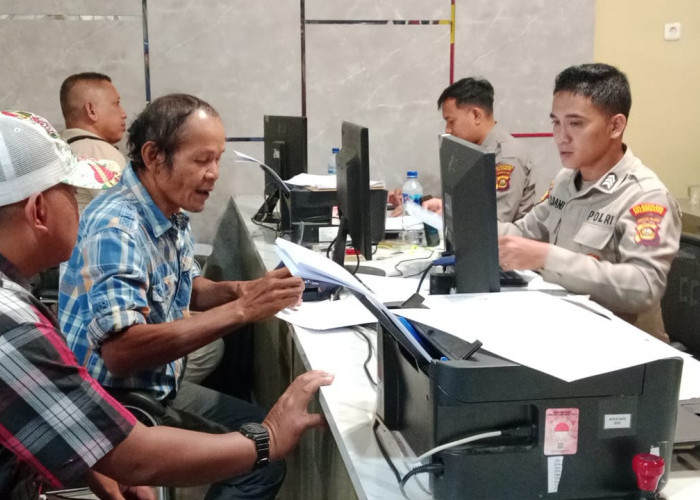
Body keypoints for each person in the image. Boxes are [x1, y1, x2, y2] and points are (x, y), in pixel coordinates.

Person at [0, 110, 333, 499]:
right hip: (123, 393)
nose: (213, 173)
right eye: (71, 194)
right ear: (38, 210)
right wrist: (269, 438)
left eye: (217, 160)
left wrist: (243, 291)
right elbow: (132, 446)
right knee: (261, 454)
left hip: (139, 391)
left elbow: (183, 283)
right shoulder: (16, 317)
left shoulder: (168, 217)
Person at [498, 63, 681, 340]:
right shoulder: (566, 180)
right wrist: (461, 221)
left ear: (615, 125)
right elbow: (524, 233)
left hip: (623, 350)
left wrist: (547, 257)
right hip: (565, 329)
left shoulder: (645, 196)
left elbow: (645, 286)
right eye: (556, 123)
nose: (561, 137)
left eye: (575, 123)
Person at [389, 77, 536, 222]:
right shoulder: (472, 150)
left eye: (451, 121)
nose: (448, 129)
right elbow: (463, 204)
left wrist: (432, 214)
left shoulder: (507, 157)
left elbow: (494, 222)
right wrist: (418, 204)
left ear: (476, 115)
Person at [59, 72, 128, 211]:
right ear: (91, 110)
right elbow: (123, 216)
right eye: (116, 103)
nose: (123, 113)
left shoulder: (62, 150)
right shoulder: (98, 151)